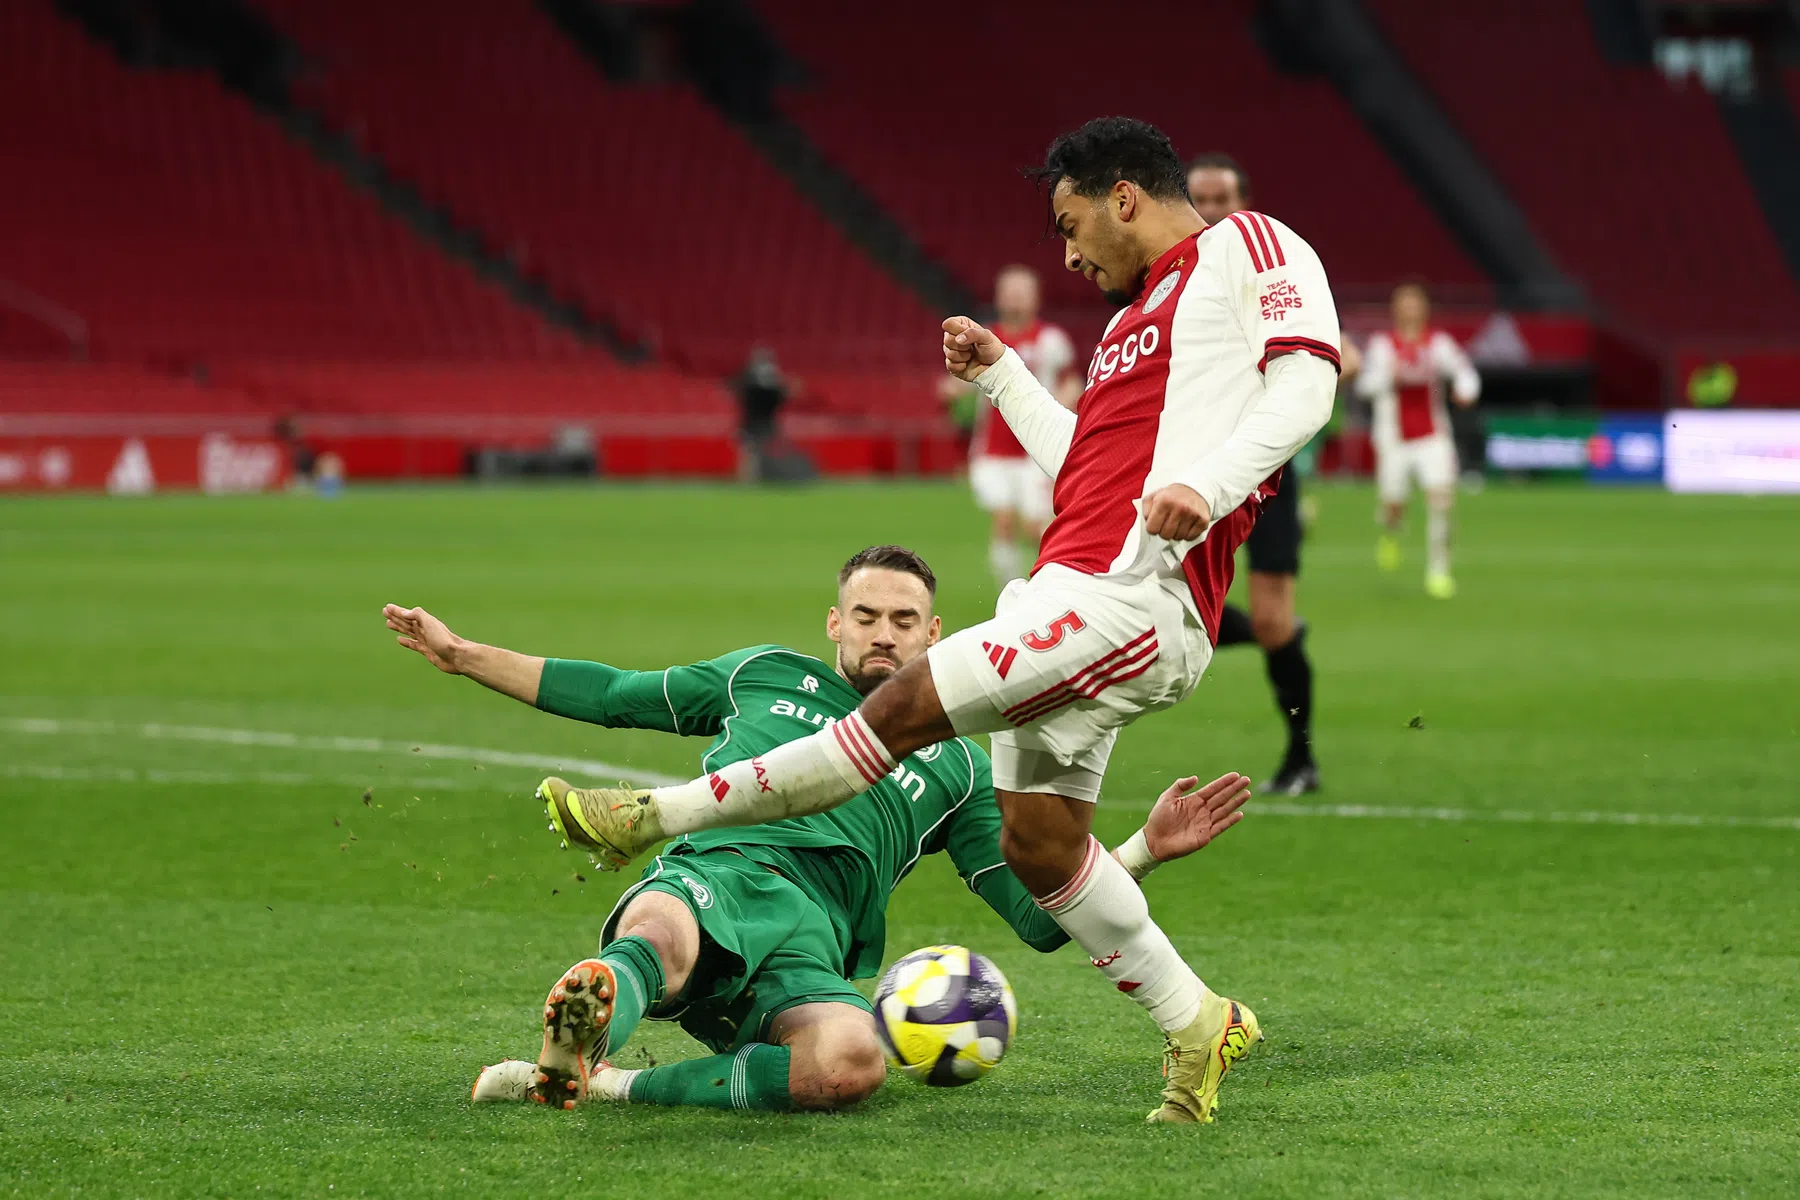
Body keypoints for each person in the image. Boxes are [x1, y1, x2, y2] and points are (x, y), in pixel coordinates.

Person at [539, 117, 1340, 1124]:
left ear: (1123, 195)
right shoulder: (1138, 322)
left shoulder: (1249, 249)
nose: (1068, 250)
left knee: (904, 706)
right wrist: (1004, 376)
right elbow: (1087, 467)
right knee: (1043, 847)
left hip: (1139, 595)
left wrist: (1209, 486)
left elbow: (1311, 382)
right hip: (1068, 588)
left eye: (1071, 222)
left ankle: (656, 816)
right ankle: (1198, 1022)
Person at [382, 545, 1250, 1112]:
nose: (883, 635)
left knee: (850, 1064)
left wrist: (1140, 851)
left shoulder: (960, 768)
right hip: (722, 866)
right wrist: (464, 657)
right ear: (834, 623)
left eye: (904, 621)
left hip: (818, 940)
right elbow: (612, 695)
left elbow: (1038, 917)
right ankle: (592, 1011)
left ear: (936, 636)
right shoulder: (762, 675)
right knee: (666, 928)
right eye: (865, 617)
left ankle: (604, 1084)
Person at [1184, 153, 1362, 796]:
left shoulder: (1272, 271)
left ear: (1243, 202)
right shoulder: (1175, 279)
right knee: (1163, 599)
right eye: (1195, 197)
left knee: (1271, 623)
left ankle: (1300, 758)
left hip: (1268, 475)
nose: (1206, 210)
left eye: (1219, 197)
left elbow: (1346, 355)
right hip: (1194, 469)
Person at [944, 265, 1082, 590]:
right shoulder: (985, 337)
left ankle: (1055, 584)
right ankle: (1009, 593)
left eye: (1022, 293)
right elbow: (965, 382)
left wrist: (1064, 401)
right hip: (993, 448)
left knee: (1037, 527)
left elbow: (1071, 380)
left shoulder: (1051, 339)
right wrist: (952, 390)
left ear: (1036, 297)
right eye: (1010, 293)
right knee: (1003, 521)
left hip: (1036, 448)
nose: (1015, 300)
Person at [1358, 282, 1480, 598]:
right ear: (1395, 310)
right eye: (1405, 304)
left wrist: (1466, 390)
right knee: (1394, 504)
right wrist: (1390, 375)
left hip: (1432, 436)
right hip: (1394, 439)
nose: (1410, 310)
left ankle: (1439, 572)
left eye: (1416, 304)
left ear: (1424, 309)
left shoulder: (1437, 344)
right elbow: (1365, 386)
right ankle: (1391, 531)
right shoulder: (1383, 346)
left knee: (1441, 501)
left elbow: (1465, 372)